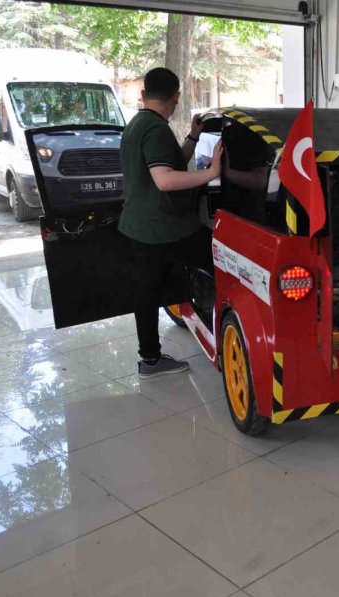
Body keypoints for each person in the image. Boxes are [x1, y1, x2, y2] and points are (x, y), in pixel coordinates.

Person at [118, 67, 223, 379]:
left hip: (140, 226)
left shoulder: (138, 123)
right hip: (165, 228)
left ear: (143, 93)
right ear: (176, 97)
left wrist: (193, 137)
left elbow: (169, 162)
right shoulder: (156, 130)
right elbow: (164, 180)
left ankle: (150, 359)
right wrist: (211, 173)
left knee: (148, 292)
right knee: (224, 261)